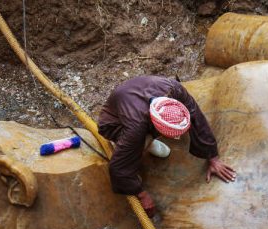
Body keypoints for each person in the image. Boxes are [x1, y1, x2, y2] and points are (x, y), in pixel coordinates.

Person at [98, 75, 237, 215]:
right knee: (134, 144)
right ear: (155, 126)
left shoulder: (175, 89)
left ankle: (148, 139)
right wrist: (142, 194)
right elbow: (118, 168)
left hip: (136, 96)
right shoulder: (136, 126)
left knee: (144, 137)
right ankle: (138, 143)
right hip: (114, 122)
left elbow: (197, 119)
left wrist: (213, 157)